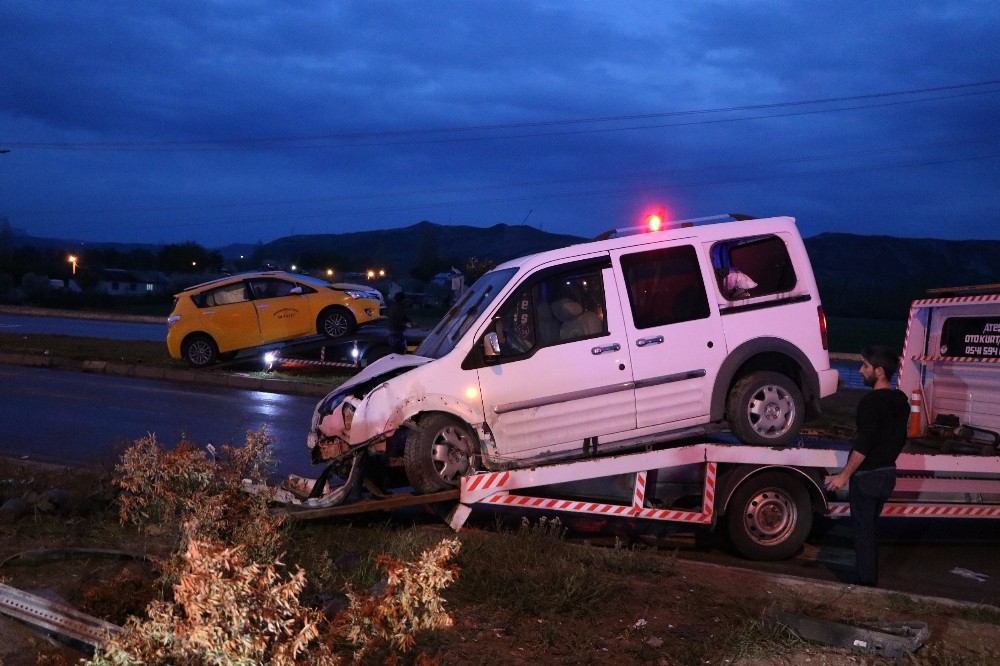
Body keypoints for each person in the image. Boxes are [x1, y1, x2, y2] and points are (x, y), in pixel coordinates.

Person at [826, 346, 910, 587]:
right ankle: (869, 579)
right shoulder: (901, 402)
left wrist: (844, 475)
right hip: (887, 474)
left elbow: (863, 444)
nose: (860, 370)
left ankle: (865, 584)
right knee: (871, 529)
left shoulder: (871, 403)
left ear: (879, 371)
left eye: (865, 366)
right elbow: (899, 438)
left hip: (868, 477)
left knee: (863, 532)